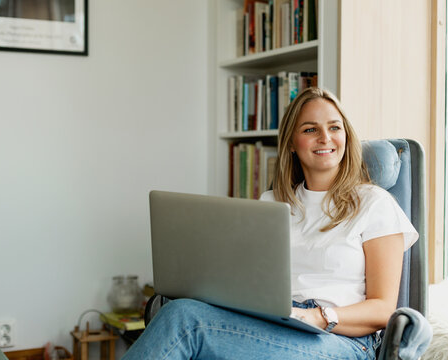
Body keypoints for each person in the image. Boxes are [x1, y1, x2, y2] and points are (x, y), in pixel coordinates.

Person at [122, 87, 418, 360]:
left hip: (341, 338)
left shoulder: (373, 203)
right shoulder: (272, 202)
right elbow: (247, 282)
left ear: (346, 136)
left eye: (334, 127)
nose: (325, 138)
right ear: (292, 142)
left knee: (185, 324)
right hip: (274, 322)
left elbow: (382, 309)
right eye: (310, 129)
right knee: (181, 311)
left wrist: (319, 316)